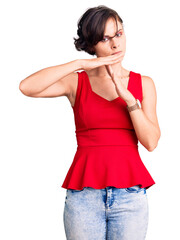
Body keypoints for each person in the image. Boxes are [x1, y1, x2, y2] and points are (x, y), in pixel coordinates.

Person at [19, 5, 161, 240]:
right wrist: (79, 64)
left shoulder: (144, 83)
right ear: (91, 44)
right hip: (84, 197)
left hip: (130, 197)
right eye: (105, 39)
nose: (115, 45)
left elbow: (151, 142)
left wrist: (129, 99)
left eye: (119, 34)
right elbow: (27, 87)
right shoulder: (77, 82)